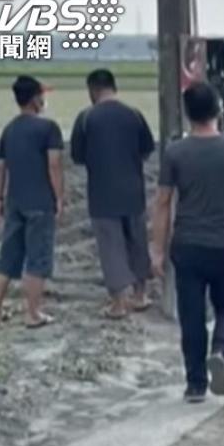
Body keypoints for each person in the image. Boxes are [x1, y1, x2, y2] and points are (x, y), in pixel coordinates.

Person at [150, 81, 224, 404]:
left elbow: (162, 203)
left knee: (191, 315)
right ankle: (222, 349)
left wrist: (157, 250)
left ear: (188, 114)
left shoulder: (175, 152)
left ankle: (195, 385)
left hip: (186, 245)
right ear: (218, 110)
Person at [70, 69, 155, 319]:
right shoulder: (134, 115)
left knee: (111, 247)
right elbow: (146, 150)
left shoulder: (86, 119)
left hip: (102, 194)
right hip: (133, 192)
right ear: (113, 87)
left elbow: (78, 156)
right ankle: (140, 295)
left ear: (92, 90)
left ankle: (119, 303)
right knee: (137, 243)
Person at [0, 75, 64, 329]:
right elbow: (54, 165)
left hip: (15, 202)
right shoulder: (48, 128)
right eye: (42, 95)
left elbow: (0, 168)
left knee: (7, 257)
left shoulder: (9, 130)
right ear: (34, 99)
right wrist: (60, 197)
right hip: (40, 203)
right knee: (37, 258)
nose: (44, 99)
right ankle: (33, 314)